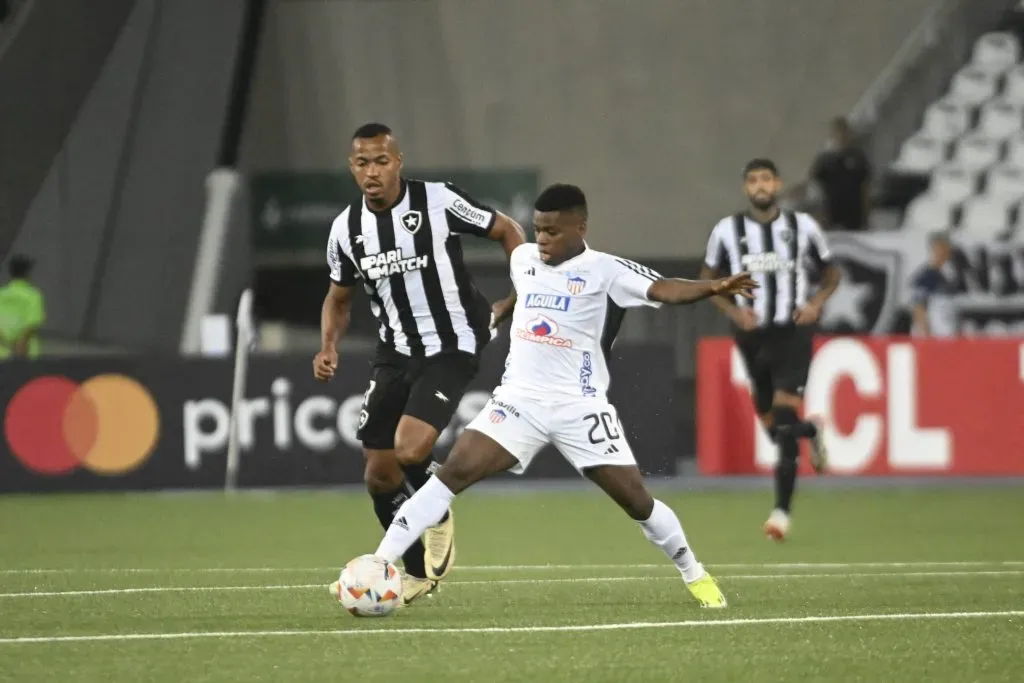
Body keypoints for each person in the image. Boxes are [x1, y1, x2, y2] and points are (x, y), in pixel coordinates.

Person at [347, 183, 758, 609]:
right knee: (450, 474)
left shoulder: (607, 271)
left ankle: (694, 572)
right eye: (537, 229)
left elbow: (665, 289)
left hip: (579, 405)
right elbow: (523, 292)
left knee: (637, 501)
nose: (541, 238)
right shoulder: (524, 258)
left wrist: (715, 287)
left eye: (552, 231)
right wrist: (498, 314)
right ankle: (379, 563)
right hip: (518, 401)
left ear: (580, 227)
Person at [315, 123, 525, 605]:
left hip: (453, 344)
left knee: (410, 450)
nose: (372, 171)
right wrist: (328, 345)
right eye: (363, 163)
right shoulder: (345, 230)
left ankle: (436, 504)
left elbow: (506, 230)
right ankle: (415, 573)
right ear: (353, 167)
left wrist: (525, 289)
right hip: (394, 352)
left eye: (381, 161)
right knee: (379, 475)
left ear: (398, 162)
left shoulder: (437, 201)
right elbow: (338, 298)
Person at [699, 159, 840, 541]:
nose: (760, 186)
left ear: (777, 184)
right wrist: (731, 310)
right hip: (752, 337)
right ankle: (811, 429)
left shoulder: (803, 227)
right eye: (753, 180)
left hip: (792, 334)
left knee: (781, 415)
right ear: (746, 188)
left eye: (766, 179)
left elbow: (832, 272)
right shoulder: (728, 231)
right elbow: (706, 280)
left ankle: (780, 513)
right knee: (776, 428)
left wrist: (815, 303)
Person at [810, 117, 872, 231]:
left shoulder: (858, 158)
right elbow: (816, 191)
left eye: (845, 134)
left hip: (854, 219)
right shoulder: (825, 160)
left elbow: (865, 188)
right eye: (838, 134)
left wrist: (867, 216)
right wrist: (819, 215)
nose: (842, 137)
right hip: (831, 219)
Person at [909, 233, 956, 337]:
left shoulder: (947, 275)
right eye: (939, 249)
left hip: (945, 333)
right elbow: (918, 306)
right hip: (931, 334)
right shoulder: (926, 276)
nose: (942, 252)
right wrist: (925, 333)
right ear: (933, 251)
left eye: (945, 249)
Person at [0, 255, 46, 360]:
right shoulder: (33, 295)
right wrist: (20, 346)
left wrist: (6, 342)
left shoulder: (1, 293)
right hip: (25, 353)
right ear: (28, 273)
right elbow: (32, 324)